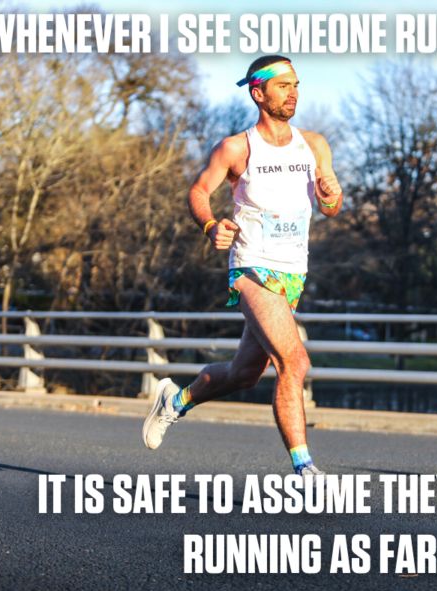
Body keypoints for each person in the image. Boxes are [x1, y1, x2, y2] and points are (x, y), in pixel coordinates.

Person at [142, 55, 343, 476]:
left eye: (296, 84)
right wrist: (211, 224)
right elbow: (199, 190)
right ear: (258, 92)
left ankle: (174, 401)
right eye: (283, 85)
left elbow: (331, 208)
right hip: (252, 267)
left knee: (244, 374)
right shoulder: (237, 148)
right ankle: (305, 472)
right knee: (295, 362)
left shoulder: (315, 145)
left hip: (293, 273)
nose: (293, 92)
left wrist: (330, 193)